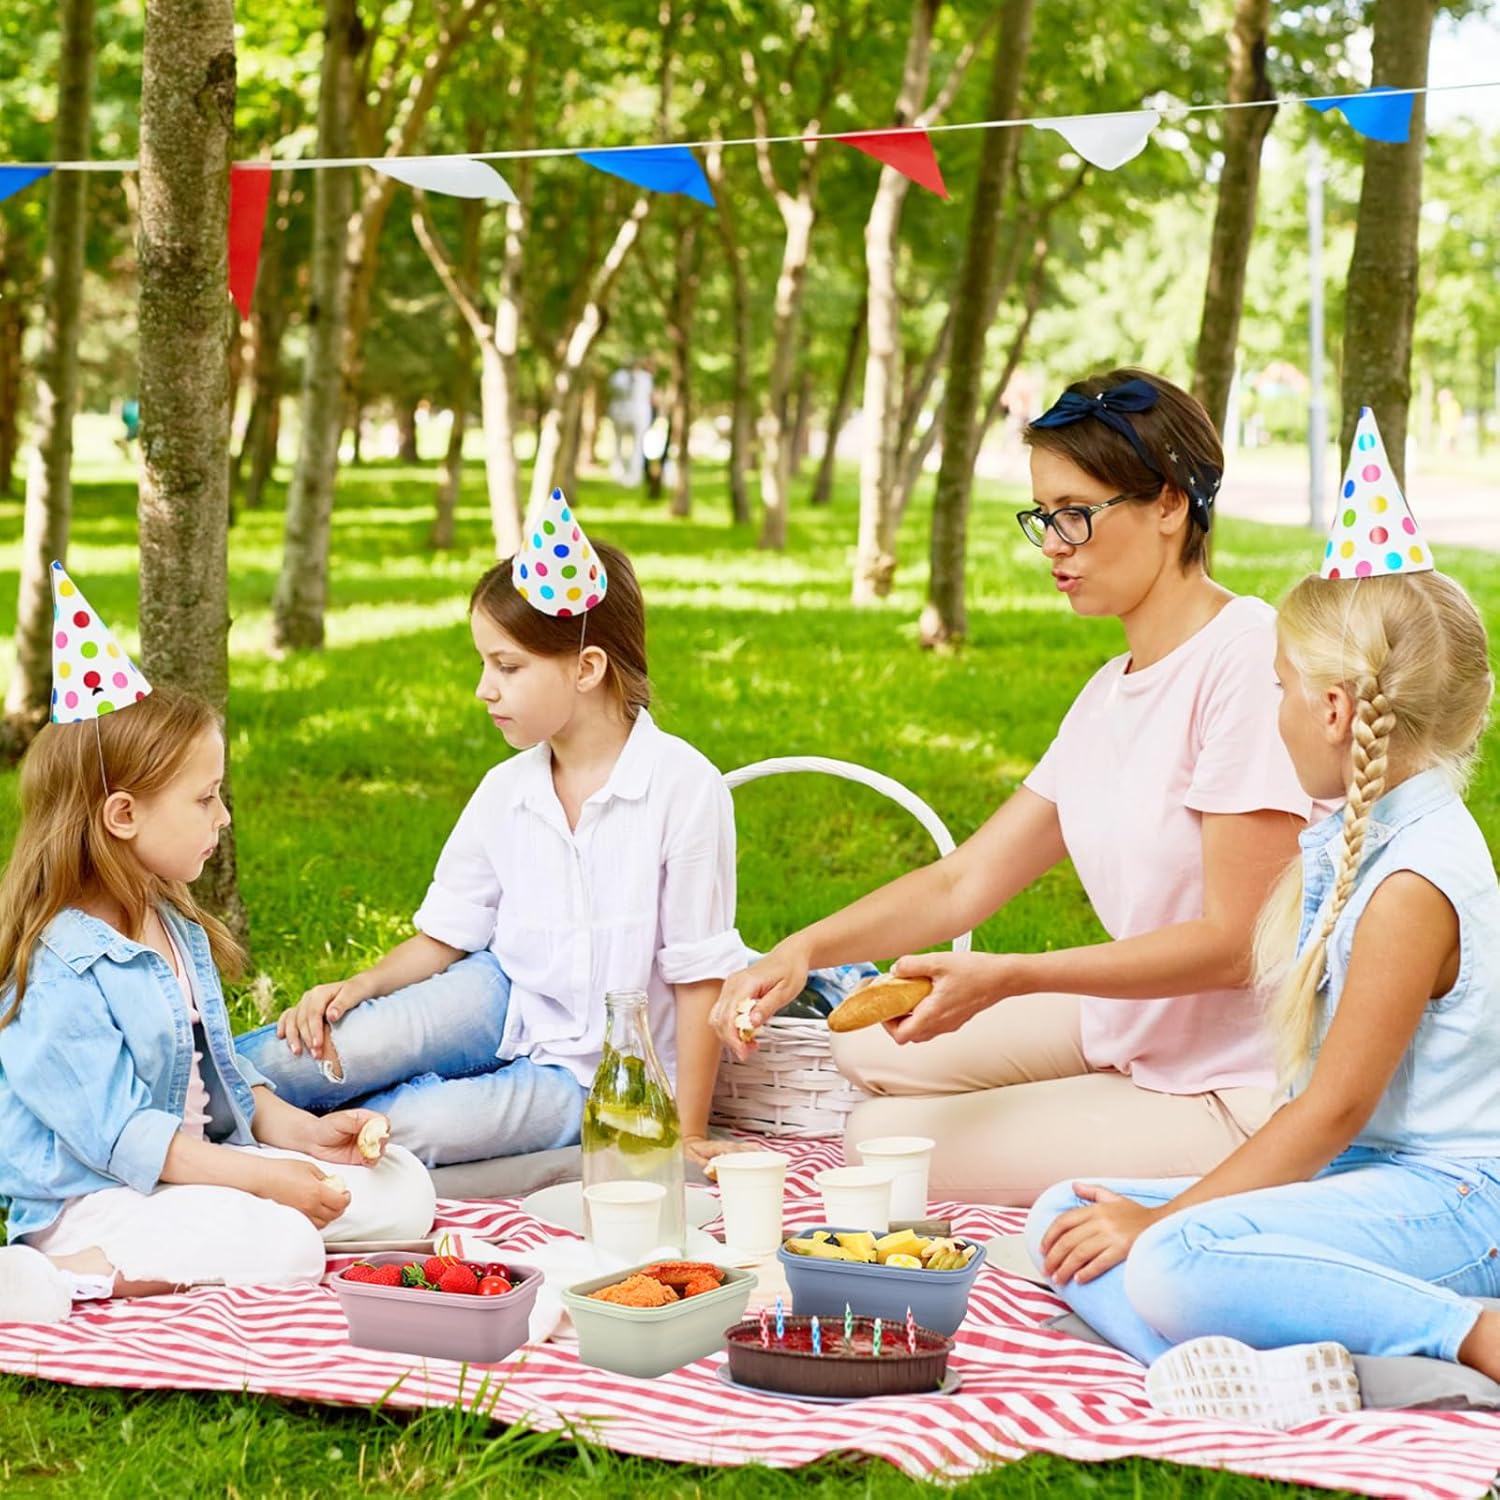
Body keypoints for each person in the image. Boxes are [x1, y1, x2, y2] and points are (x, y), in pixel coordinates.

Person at [711, 368, 1318, 1205]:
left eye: (1076, 513)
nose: (1052, 546)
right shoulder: (1109, 692)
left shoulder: (1247, 660)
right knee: (863, 1045)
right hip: (1139, 1025)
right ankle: (1087, 1105)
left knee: (878, 1142)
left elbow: (1238, 942)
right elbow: (965, 881)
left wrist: (1012, 975)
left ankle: (1135, 1131)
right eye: (1042, 516)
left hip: (1238, 1085)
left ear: (1170, 505)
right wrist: (803, 951)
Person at [1027, 410, 1500, 1429]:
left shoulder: (1415, 880)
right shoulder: (1357, 839)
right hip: (1362, 1178)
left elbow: (1330, 1112)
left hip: (1454, 1204)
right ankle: (1303, 1357)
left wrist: (1165, 1218)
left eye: (1281, 688)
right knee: (1066, 1213)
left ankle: (1466, 1336)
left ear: (1332, 712)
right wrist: (1146, 1217)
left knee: (1174, 1255)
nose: (1273, 709)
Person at [236, 491, 751, 1173]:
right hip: (502, 996)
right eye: (485, 664)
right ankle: (177, 1100)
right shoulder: (506, 791)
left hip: (593, 1076)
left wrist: (685, 1132)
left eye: (507, 667)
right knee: (324, 1050)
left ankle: (272, 1140)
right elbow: (448, 934)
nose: (485, 688)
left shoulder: (684, 787)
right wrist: (362, 986)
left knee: (417, 1127)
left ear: (588, 668)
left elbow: (699, 976)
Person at [0, 566, 435, 1325]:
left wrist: (306, 1137)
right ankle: (62, 1273)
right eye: (205, 799)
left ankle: (223, 1234)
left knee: (406, 1191)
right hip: (99, 1200)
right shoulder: (57, 968)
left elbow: (223, 1078)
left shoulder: (169, 920)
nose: (223, 817)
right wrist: (264, 1183)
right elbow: (125, 1141)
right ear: (123, 816)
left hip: (194, 1178)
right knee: (288, 1245)